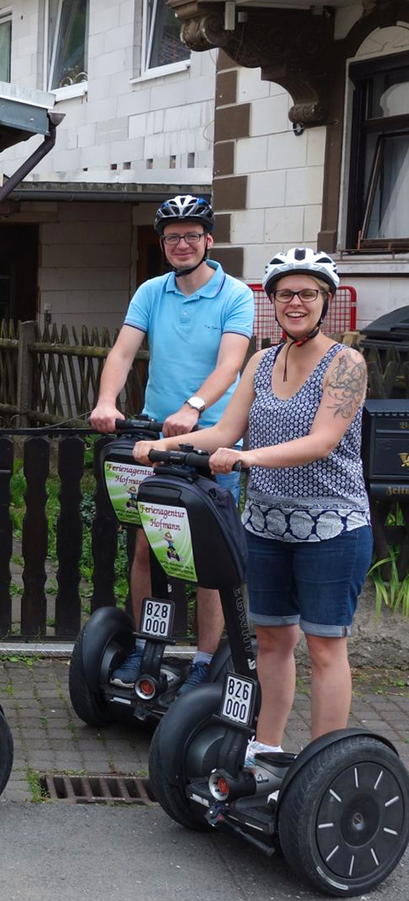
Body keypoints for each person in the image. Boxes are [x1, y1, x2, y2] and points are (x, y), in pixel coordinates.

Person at [133, 249, 369, 761]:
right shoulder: (262, 362)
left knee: (325, 648)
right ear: (273, 302)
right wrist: (164, 446)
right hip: (264, 525)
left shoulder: (345, 363)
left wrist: (245, 459)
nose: (296, 302)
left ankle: (324, 766)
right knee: (270, 642)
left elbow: (323, 440)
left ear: (324, 300)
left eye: (308, 293)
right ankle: (264, 750)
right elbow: (222, 430)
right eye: (286, 294)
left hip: (332, 526)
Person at [90, 195, 254, 695]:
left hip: (212, 443)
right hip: (154, 442)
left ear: (208, 240)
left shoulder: (236, 295)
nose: (182, 244)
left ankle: (205, 662)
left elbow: (231, 363)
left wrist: (194, 406)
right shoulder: (151, 292)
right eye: (172, 237)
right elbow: (122, 350)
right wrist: (106, 400)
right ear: (163, 244)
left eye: (191, 235)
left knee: (208, 557)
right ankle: (144, 646)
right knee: (147, 544)